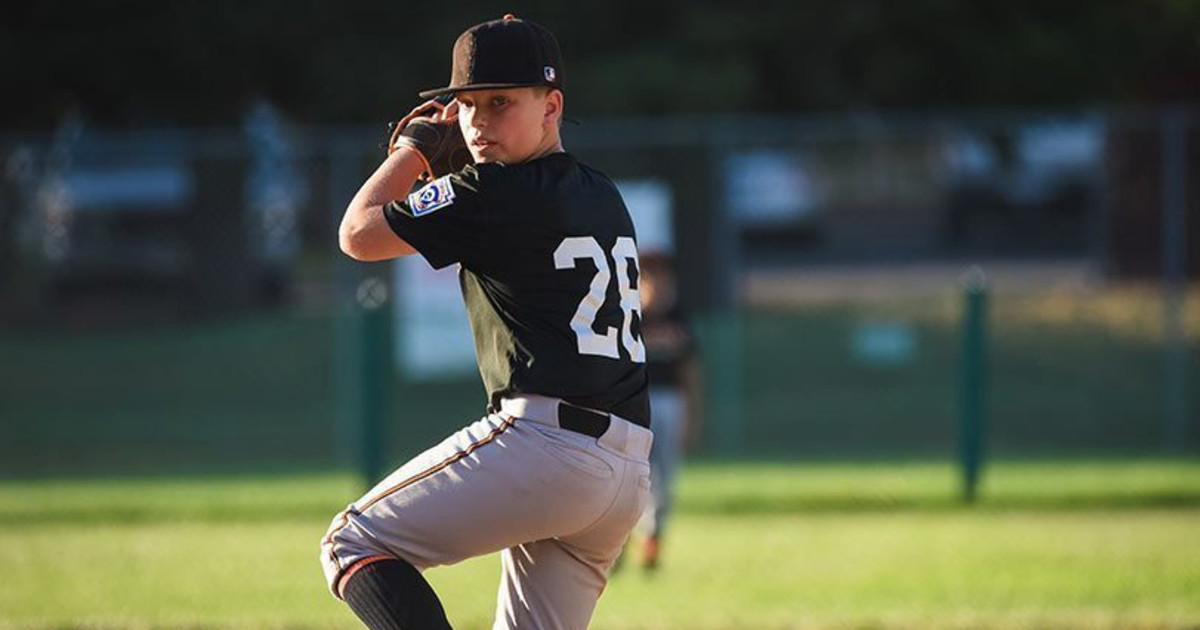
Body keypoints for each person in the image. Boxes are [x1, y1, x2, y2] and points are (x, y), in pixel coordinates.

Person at [320, 15, 653, 630]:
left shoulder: (491, 192)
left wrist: (413, 148)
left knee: (353, 542)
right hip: (625, 470)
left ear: (551, 104)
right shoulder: (601, 191)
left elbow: (357, 235)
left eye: (501, 102)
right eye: (466, 104)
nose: (477, 122)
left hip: (546, 448)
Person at [629, 253, 700, 571]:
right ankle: (621, 541)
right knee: (633, 476)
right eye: (648, 277)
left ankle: (651, 539)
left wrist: (693, 417)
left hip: (671, 401)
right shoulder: (630, 319)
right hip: (636, 402)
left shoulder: (677, 318)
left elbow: (692, 373)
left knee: (665, 478)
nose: (655, 284)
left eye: (660, 277)